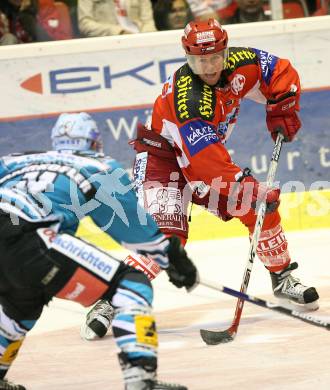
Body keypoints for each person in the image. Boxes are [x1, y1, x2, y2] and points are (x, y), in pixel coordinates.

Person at [80, 17, 321, 341]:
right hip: (162, 162)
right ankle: (108, 300)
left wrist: (281, 104)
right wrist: (251, 188)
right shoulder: (189, 98)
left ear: (225, 50)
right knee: (164, 240)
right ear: (187, 57)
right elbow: (207, 165)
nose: (207, 66)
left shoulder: (241, 62)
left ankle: (282, 277)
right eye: (198, 60)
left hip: (200, 160)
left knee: (259, 210)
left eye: (213, 58)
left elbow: (278, 71)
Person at [0, 112, 198, 390]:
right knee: (132, 285)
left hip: (12, 233)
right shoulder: (97, 165)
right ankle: (141, 381)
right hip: (30, 235)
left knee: (21, 306)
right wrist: (170, 256)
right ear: (94, 143)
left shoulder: (13, 159)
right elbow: (130, 225)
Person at [78, 0, 157, 38]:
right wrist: (118, 32)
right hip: (107, 41)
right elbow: (85, 24)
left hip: (140, 38)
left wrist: (146, 38)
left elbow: (148, 21)